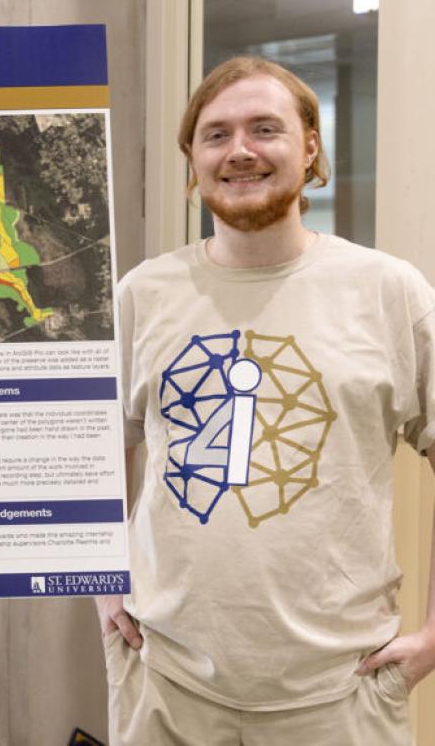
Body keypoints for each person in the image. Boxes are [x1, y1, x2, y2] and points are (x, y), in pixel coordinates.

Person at [97, 56, 435, 744]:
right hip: (166, 684)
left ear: (310, 146)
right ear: (192, 158)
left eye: (264, 129)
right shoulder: (144, 295)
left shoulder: (387, 292)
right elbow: (94, 453)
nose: (240, 151)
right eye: (215, 135)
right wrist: (103, 592)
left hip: (340, 693)